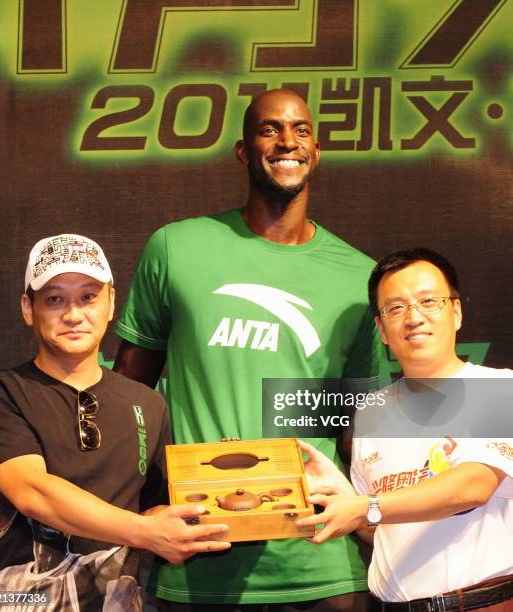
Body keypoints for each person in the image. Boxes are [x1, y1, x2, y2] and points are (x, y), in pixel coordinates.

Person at [114, 89, 381, 611]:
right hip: (197, 551)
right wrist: (142, 509)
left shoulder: (358, 276)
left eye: (301, 130)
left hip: (318, 561)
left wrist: (371, 509)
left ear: (317, 150)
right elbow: (129, 392)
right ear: (243, 150)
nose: (287, 141)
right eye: (270, 129)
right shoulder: (176, 247)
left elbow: (356, 423)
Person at [0, 234, 230, 611]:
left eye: (87, 297)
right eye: (54, 299)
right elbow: (32, 491)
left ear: (111, 302)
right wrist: (148, 532)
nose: (73, 314)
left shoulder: (147, 402)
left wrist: (222, 488)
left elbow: (151, 509)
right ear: (28, 308)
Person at [297, 247, 513, 611]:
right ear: (381, 329)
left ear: (456, 312)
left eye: (429, 301)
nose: (414, 317)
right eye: (395, 308)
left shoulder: (499, 388)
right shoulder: (372, 413)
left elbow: (473, 486)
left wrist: (364, 507)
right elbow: (378, 527)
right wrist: (342, 496)